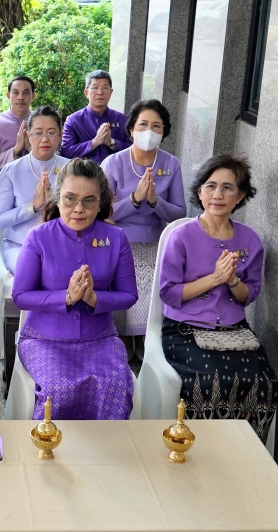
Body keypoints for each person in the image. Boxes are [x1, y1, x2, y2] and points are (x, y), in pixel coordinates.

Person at [159, 154, 278, 443]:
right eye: (211, 186)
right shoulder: (181, 236)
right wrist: (213, 278)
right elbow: (169, 293)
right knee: (208, 382)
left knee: (264, 384)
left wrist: (232, 279)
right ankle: (201, 453)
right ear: (200, 192)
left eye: (228, 188)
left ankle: (246, 457)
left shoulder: (250, 240)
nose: (218, 195)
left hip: (234, 330)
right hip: (185, 329)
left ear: (240, 196)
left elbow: (248, 295)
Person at [12, 158, 138, 421]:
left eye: (89, 200)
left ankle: (105, 457)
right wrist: (67, 297)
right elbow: (21, 296)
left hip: (100, 338)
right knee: (59, 388)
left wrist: (94, 298)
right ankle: (51, 453)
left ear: (100, 202)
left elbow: (129, 295)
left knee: (115, 384)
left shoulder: (116, 238)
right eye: (70, 199)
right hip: (45, 339)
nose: (79, 209)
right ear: (58, 199)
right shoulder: (39, 237)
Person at [102, 99, 185, 349]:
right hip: (117, 240)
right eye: (144, 124)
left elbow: (179, 215)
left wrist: (155, 201)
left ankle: (146, 335)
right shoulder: (113, 163)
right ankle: (123, 335)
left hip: (156, 240)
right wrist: (135, 199)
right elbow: (103, 212)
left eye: (157, 126)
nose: (150, 132)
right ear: (131, 129)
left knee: (153, 279)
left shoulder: (171, 164)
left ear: (164, 131)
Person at [0, 106, 68, 274]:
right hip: (19, 245)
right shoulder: (11, 170)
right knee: (31, 272)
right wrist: (33, 206)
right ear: (28, 135)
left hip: (61, 245)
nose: (44, 139)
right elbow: (0, 220)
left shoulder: (70, 168)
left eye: (51, 133)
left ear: (60, 135)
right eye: (38, 133)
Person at [0, 76, 36, 201]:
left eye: (26, 93)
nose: (20, 97)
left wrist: (31, 149)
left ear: (33, 96)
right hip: (3, 185)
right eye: (16, 92)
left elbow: (54, 157)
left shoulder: (41, 121)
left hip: (36, 181)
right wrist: (15, 150)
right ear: (8, 95)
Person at [60, 70, 131, 164]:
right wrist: (94, 142)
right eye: (95, 87)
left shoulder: (122, 120)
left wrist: (111, 142)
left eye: (105, 88)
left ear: (111, 92)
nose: (100, 92)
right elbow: (66, 152)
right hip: (84, 174)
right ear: (86, 93)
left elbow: (134, 150)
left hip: (116, 173)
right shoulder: (73, 120)